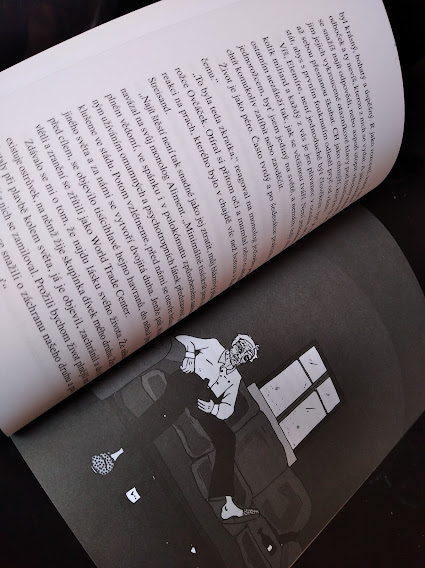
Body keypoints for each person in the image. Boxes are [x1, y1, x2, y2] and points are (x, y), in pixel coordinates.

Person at [92, 333, 260, 522]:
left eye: (246, 356)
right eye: (240, 348)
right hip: (187, 382)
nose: (240, 355)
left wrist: (214, 408)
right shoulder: (213, 346)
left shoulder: (235, 378)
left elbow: (228, 408)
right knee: (165, 413)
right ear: (233, 344)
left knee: (228, 438)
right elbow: (183, 338)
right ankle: (118, 452)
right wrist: (190, 356)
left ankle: (228, 503)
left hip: (204, 401)